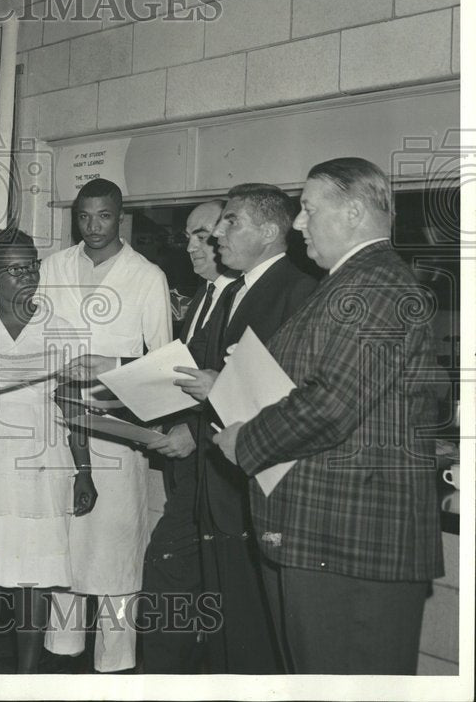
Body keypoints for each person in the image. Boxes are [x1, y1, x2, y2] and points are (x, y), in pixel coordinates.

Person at [213, 158, 442, 674]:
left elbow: (333, 403)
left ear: (354, 212)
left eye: (308, 209)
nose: (297, 223)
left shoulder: (375, 285)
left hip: (350, 541)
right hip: (332, 535)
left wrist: (245, 439)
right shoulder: (349, 283)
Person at [0, 229, 97, 674]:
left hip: (40, 458)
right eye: (16, 268)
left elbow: (71, 403)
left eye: (33, 265)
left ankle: (26, 678)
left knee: (35, 576)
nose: (28, 275)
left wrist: (84, 470)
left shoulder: (60, 327)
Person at [174, 183, 316, 673]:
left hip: (260, 489)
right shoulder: (234, 292)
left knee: (257, 633)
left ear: (271, 231)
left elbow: (298, 398)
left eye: (231, 221)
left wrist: (218, 386)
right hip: (220, 487)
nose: (218, 232)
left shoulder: (298, 291)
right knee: (226, 625)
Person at [37, 178, 172, 673]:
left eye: (105, 217)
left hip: (117, 433)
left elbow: (164, 368)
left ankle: (116, 668)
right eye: (85, 217)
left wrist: (108, 362)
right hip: (58, 423)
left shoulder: (146, 276)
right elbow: (38, 337)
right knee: (64, 557)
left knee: (116, 557)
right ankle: (62, 657)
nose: (94, 227)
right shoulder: (54, 267)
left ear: (121, 216)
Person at [139, 198, 234, 673]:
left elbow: (237, 386)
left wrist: (195, 430)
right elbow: (187, 375)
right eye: (189, 237)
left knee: (167, 569)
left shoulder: (239, 297)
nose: (193, 247)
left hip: (214, 469)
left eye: (204, 236)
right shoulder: (204, 296)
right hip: (188, 471)